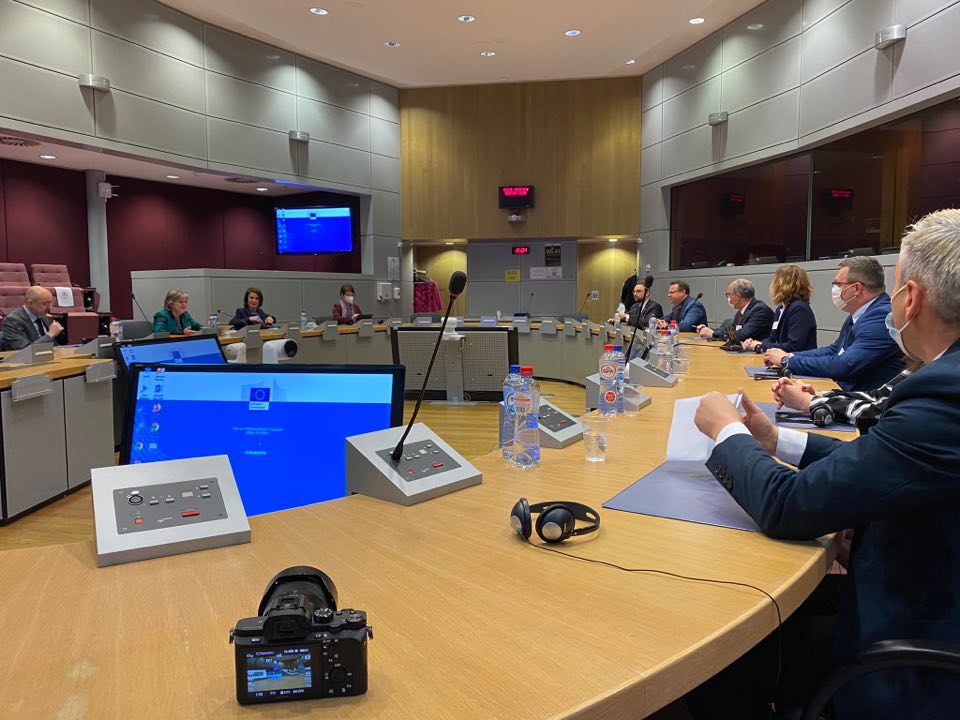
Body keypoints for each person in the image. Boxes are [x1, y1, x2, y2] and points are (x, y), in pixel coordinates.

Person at [690, 208, 960, 719]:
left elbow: (787, 506)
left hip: (908, 645)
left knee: (718, 657)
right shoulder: (943, 377)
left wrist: (725, 431)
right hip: (917, 586)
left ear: (912, 298)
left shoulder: (944, 393)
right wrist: (777, 440)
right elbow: (884, 458)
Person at [763, 257, 904, 392]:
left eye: (838, 284)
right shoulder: (860, 314)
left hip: (863, 401)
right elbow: (834, 350)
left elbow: (844, 365)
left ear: (857, 288)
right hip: (847, 393)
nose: (835, 289)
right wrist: (790, 356)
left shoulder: (880, 317)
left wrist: (787, 360)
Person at [771, 366, 914, 432]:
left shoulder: (925, 371)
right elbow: (877, 396)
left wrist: (807, 401)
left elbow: (879, 414)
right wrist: (820, 395)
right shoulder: (919, 364)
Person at [742, 264, 817, 355]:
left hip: (799, 360)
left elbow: (793, 346)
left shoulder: (799, 309)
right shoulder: (780, 309)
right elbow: (773, 339)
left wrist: (762, 345)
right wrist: (754, 343)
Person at [696, 279, 773, 342]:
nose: (728, 298)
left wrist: (713, 334)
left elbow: (742, 335)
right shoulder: (741, 312)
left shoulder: (760, 311)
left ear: (738, 296)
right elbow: (730, 331)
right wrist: (708, 329)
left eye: (728, 294)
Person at [0, 285, 64, 350]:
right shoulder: (13, 321)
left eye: (50, 303)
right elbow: (25, 350)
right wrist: (50, 335)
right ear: (30, 303)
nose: (50, 307)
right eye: (44, 304)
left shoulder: (41, 314)